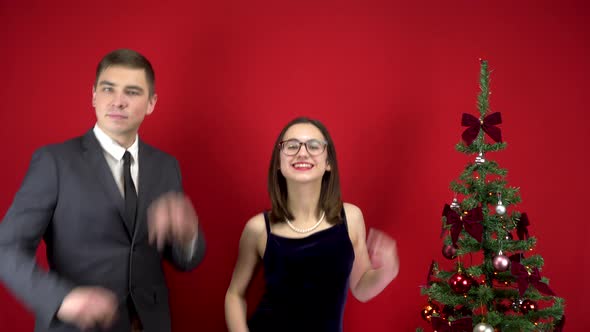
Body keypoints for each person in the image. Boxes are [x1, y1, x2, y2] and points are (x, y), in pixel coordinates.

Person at [0, 49, 206, 332]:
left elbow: (187, 261)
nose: (118, 102)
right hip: (77, 327)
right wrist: (62, 298)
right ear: (94, 95)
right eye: (108, 89)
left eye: (132, 92)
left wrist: (189, 236)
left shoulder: (166, 166)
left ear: (151, 103)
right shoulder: (54, 162)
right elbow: (6, 248)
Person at [224, 117, 400, 332]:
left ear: (328, 163)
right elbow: (234, 294)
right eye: (292, 146)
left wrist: (387, 271)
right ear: (279, 163)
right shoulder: (257, 228)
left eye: (314, 145)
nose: (303, 152)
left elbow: (361, 289)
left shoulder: (351, 218)